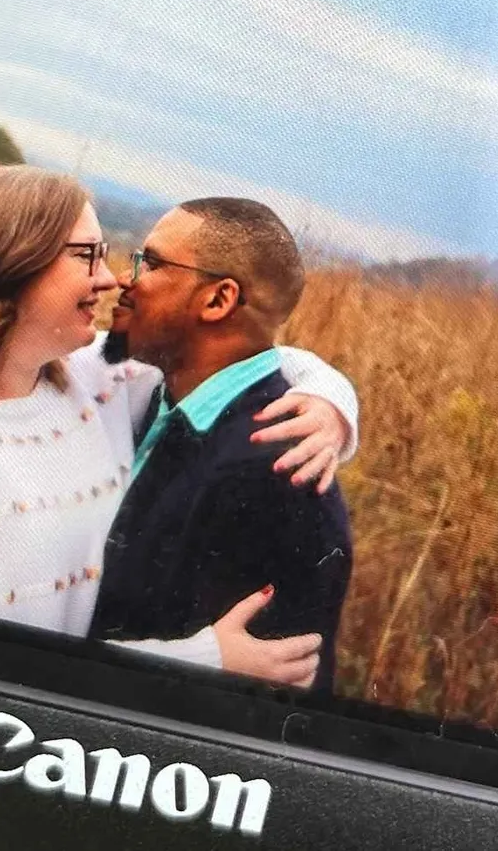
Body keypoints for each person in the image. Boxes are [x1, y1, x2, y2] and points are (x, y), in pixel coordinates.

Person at [0, 166, 358, 686]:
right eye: (87, 255)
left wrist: (328, 400)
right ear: (8, 261)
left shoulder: (91, 379)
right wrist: (200, 660)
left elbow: (241, 356)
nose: (109, 279)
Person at [90, 198, 353, 693]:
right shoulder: (159, 399)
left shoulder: (277, 472)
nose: (128, 280)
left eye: (151, 263)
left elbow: (261, 704)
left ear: (217, 301)